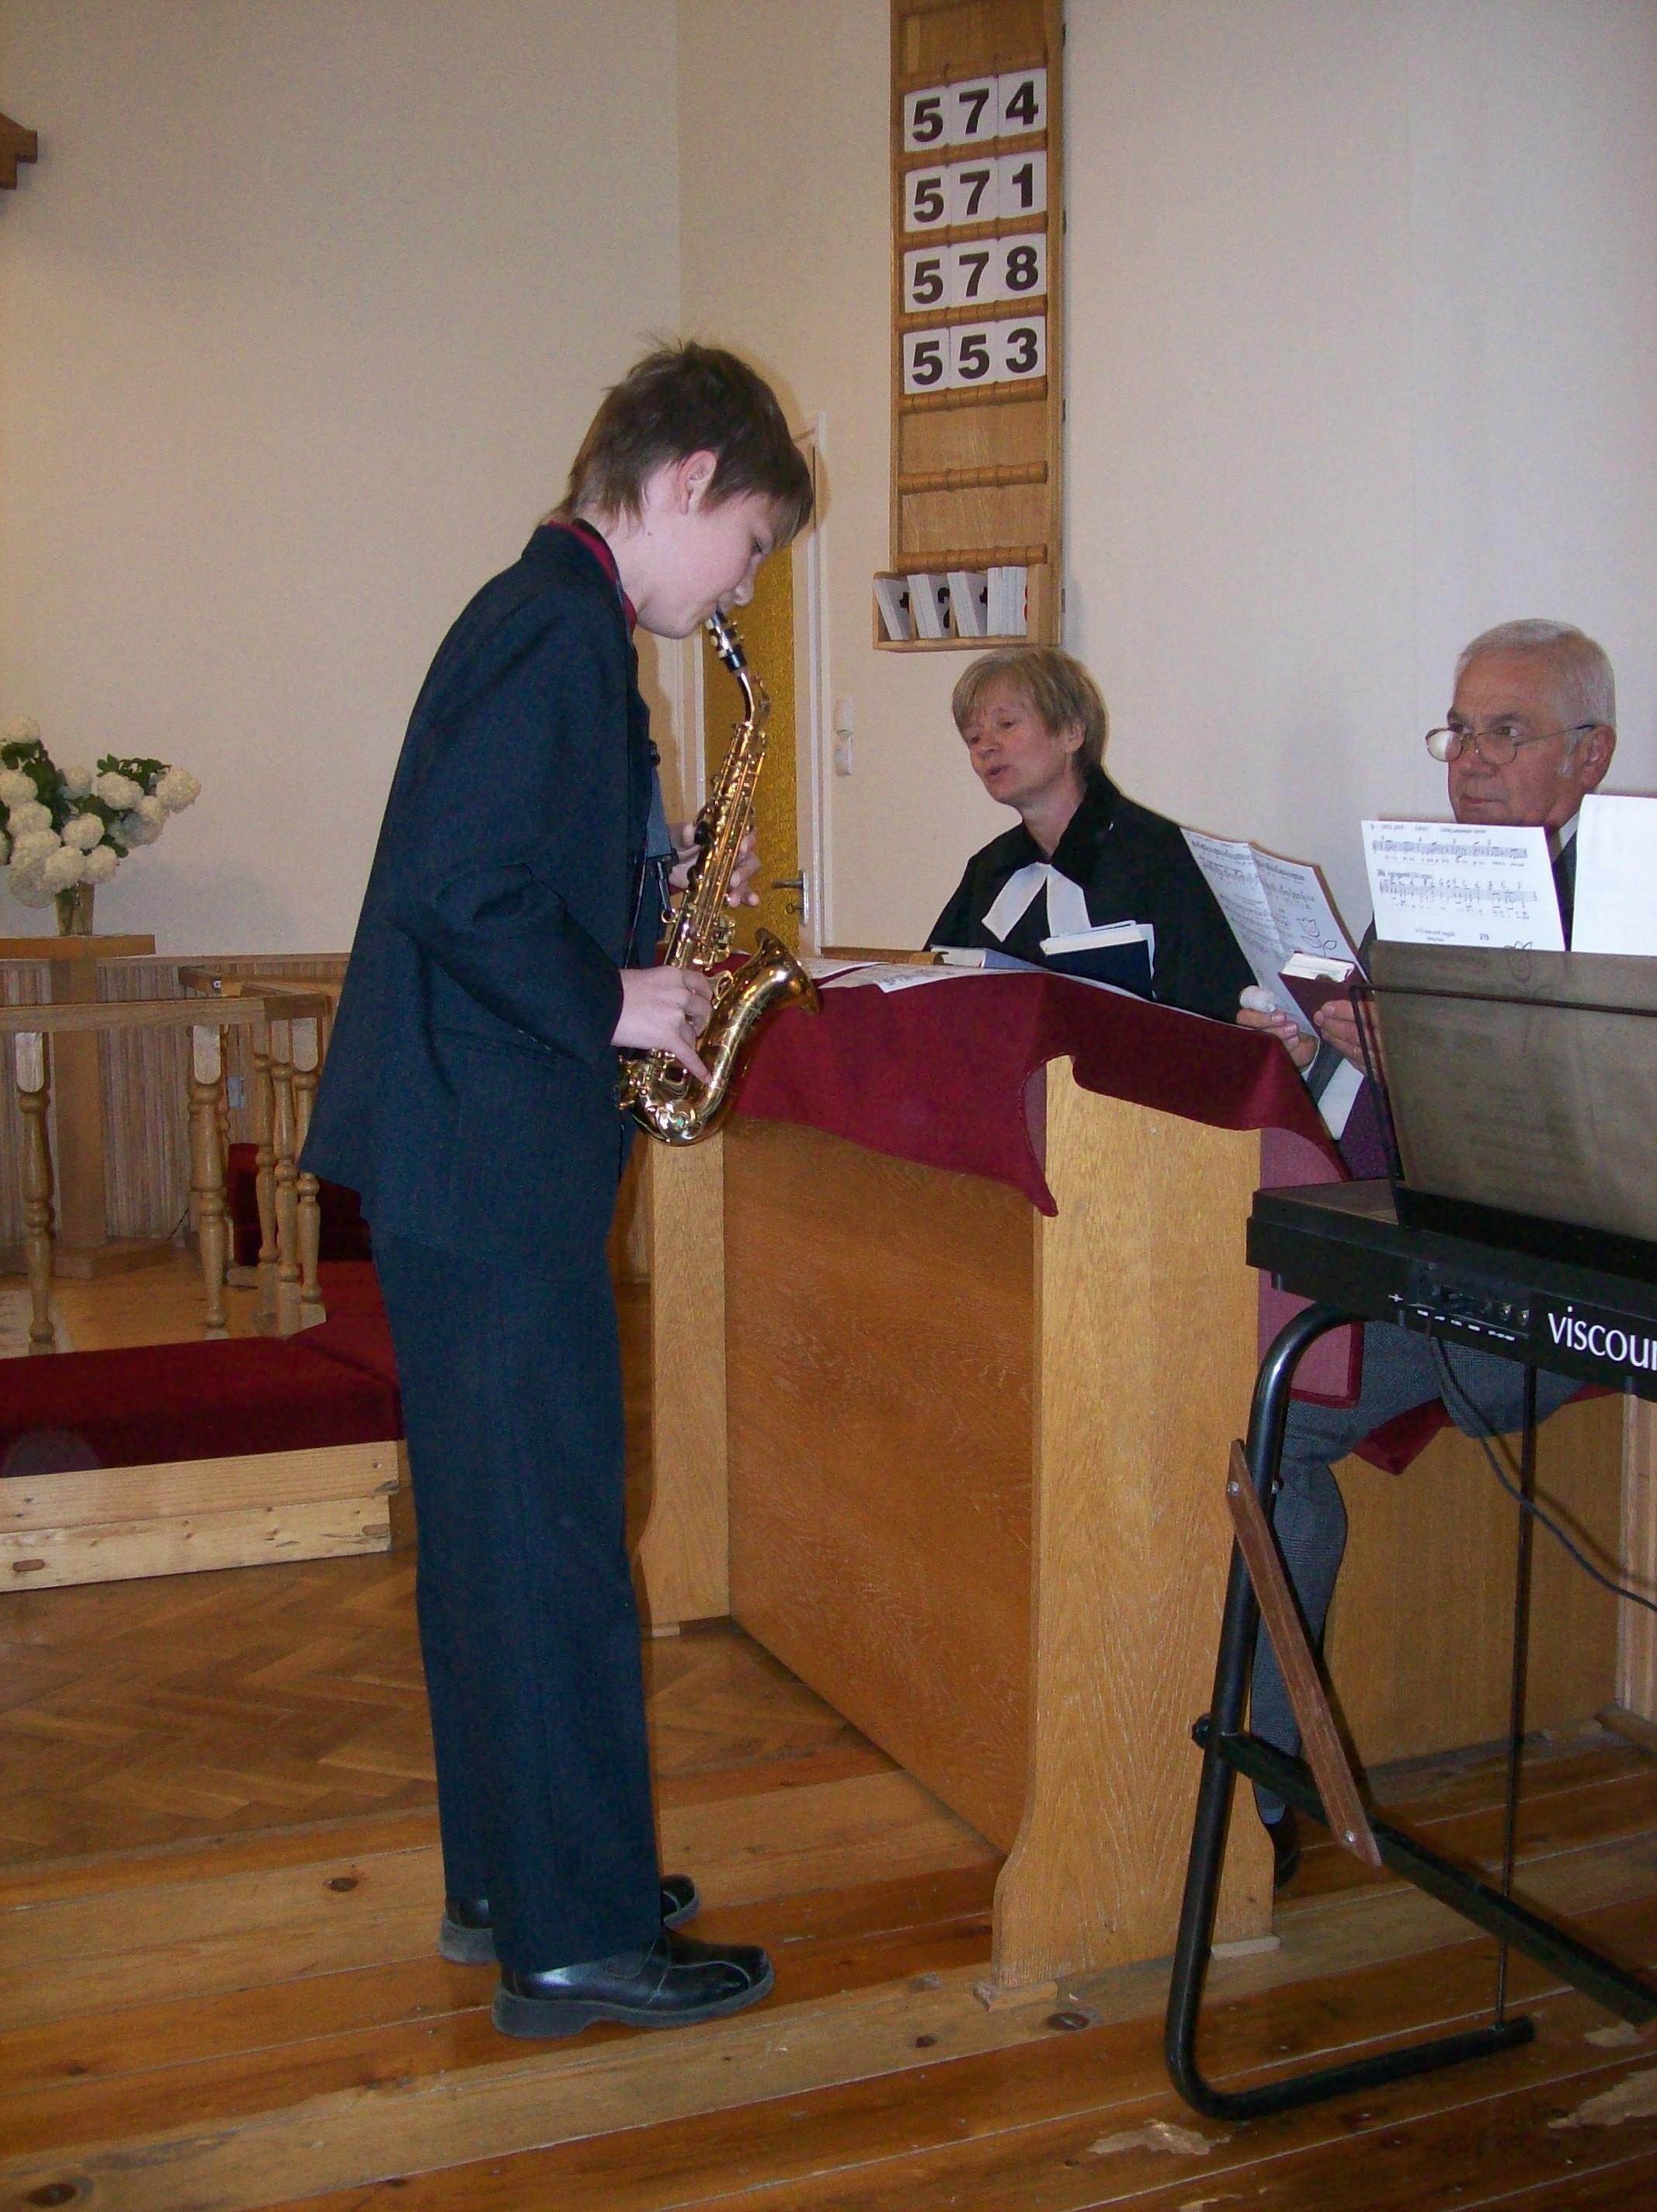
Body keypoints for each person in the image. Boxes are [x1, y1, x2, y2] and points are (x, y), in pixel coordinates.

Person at [302, 343, 813, 2037]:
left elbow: (496, 868)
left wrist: (648, 899)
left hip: (463, 1152)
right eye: (749, 543)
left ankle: (514, 1875)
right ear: (686, 480)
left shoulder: (539, 613)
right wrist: (615, 997)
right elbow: (459, 884)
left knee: (496, 1543)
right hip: (489, 1155)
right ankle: (577, 1932)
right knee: (553, 1541)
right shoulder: (555, 628)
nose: (742, 583)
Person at [1237, 618, 1617, 1885]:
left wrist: (1417, 1065)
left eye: (1505, 732)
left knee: (1277, 1415)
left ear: (1589, 756)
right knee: (1194, 1332)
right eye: (1457, 731)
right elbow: (1375, 1114)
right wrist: (1315, 1053)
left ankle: (1260, 1787)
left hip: (1537, 1296)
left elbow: (1594, 1157)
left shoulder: (1622, 910)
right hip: (1413, 1257)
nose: (1469, 759)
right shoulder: (1426, 889)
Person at [927, 645, 1253, 1021]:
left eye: (1007, 724)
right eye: (973, 737)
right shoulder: (990, 869)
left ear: (1072, 731)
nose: (986, 746)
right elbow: (931, 995)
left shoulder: (1159, 856)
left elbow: (1211, 1015)